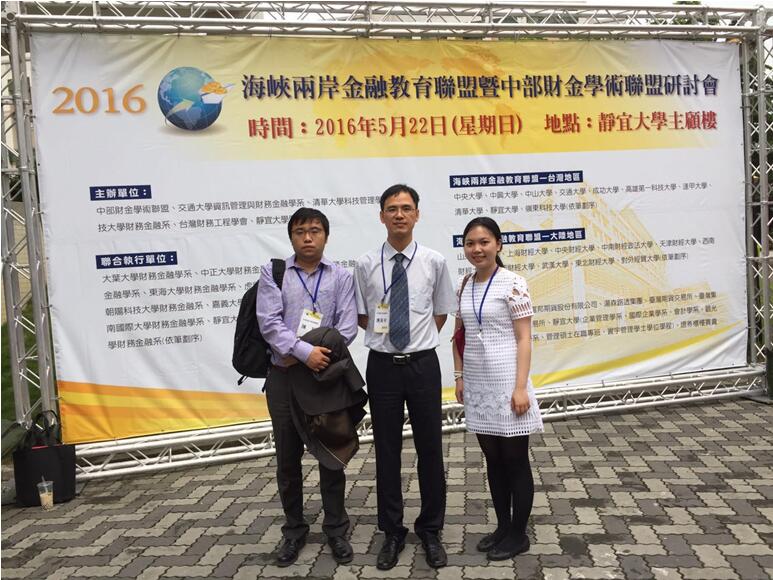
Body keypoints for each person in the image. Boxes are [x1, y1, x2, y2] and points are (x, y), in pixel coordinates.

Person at [354, 184, 456, 570]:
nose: (399, 214)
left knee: (431, 448)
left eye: (406, 208)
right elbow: (362, 315)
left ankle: (430, 529)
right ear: (381, 216)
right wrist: (389, 339)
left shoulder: (434, 261)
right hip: (382, 367)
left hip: (422, 365)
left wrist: (416, 340)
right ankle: (392, 531)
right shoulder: (365, 264)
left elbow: (441, 311)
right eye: (392, 208)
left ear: (417, 214)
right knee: (387, 450)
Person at [256, 207, 358, 567]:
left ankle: (336, 529)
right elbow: (269, 324)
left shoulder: (341, 276)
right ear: (291, 237)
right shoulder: (274, 273)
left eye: (315, 230)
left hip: (323, 378)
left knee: (331, 455)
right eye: (300, 231)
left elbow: (347, 327)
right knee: (287, 458)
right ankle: (294, 530)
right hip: (283, 379)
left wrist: (316, 356)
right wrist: (304, 353)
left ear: (326, 236)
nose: (308, 237)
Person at [452, 216, 543, 560]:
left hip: (508, 382)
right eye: (470, 243)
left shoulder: (513, 283)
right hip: (478, 383)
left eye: (484, 242)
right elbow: (458, 335)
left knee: (515, 460)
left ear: (498, 245)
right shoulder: (463, 284)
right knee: (493, 459)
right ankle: (503, 526)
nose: (477, 249)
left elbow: (524, 339)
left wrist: (521, 388)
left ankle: (519, 534)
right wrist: (459, 377)